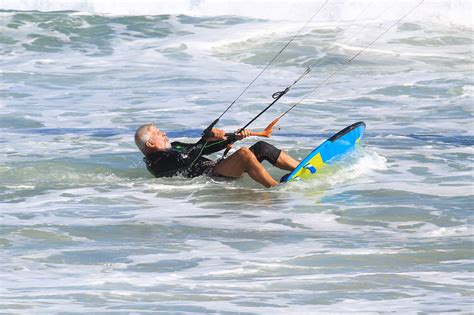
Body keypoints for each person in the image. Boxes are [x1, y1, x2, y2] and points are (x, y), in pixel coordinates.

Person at [134, 123, 299, 187]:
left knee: (261, 147)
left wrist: (233, 137)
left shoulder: (175, 146)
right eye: (158, 133)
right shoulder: (155, 161)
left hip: (219, 168)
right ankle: (276, 188)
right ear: (150, 143)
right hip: (212, 176)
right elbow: (186, 159)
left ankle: (301, 167)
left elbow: (201, 149)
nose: (163, 133)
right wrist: (205, 139)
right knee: (244, 154)